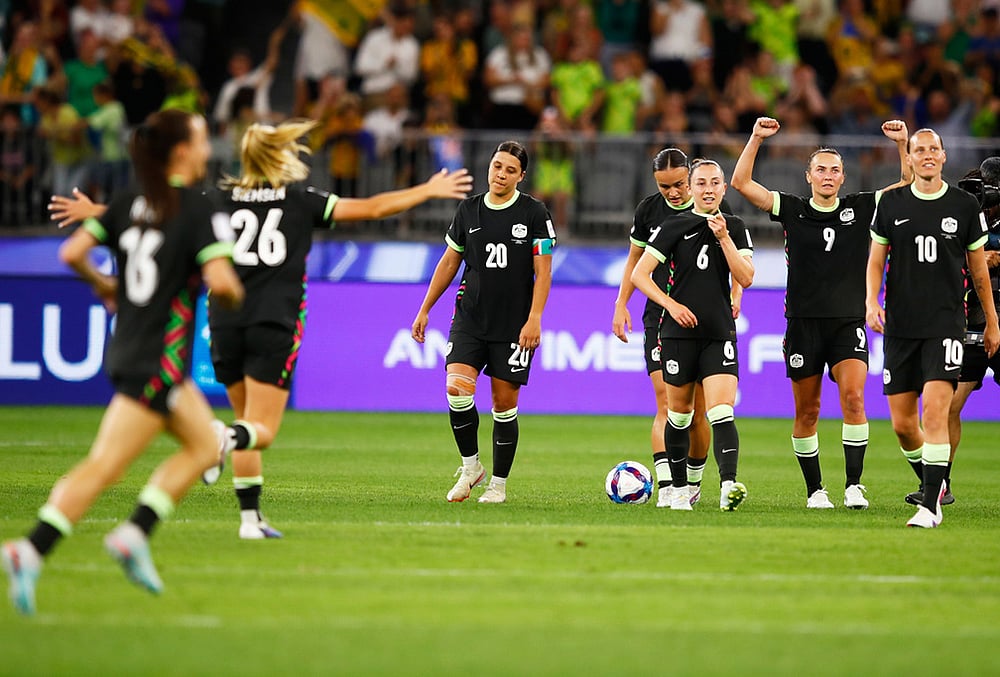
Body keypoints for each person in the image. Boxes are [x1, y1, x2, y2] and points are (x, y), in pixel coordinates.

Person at [50, 119, 473, 540]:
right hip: (275, 321)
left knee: (243, 420)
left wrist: (97, 214)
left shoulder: (214, 198)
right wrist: (427, 190)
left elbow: (162, 215)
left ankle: (250, 520)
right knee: (258, 429)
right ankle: (222, 441)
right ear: (280, 155)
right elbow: (373, 207)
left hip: (223, 321)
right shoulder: (298, 199)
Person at [2, 109, 245, 617]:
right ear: (181, 151)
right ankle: (32, 549)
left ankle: (134, 534)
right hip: (158, 361)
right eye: (202, 139)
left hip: (132, 350)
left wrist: (107, 288)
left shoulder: (130, 202)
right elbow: (222, 283)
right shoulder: (197, 208)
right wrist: (232, 294)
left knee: (206, 444)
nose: (208, 149)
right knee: (106, 466)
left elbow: (72, 253)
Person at [731, 115, 912, 509]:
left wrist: (902, 144)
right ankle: (815, 491)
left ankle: (853, 485)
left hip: (848, 322)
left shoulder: (860, 208)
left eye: (834, 170)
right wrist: (757, 138)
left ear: (843, 178)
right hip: (802, 323)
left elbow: (908, 188)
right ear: (808, 176)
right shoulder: (792, 209)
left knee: (853, 399)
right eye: (821, 170)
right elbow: (742, 184)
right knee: (807, 410)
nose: (828, 176)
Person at [866, 128, 1000, 528]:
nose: (926, 155)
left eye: (933, 149)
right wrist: (872, 301)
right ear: (908, 159)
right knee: (904, 424)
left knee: (937, 413)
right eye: (918, 149)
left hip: (946, 324)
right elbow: (876, 261)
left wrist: (992, 319)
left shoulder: (963, 206)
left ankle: (930, 504)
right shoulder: (890, 203)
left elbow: (978, 269)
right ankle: (933, 483)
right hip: (901, 325)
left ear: (944, 157)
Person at [411, 140, 555, 504]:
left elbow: (543, 271)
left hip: (514, 324)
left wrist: (535, 318)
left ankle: (499, 486)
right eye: (496, 166)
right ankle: (471, 466)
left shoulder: (535, 213)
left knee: (503, 404)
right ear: (488, 167)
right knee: (457, 389)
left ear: (521, 176)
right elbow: (448, 263)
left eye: (509, 170)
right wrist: (425, 307)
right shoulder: (468, 210)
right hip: (470, 318)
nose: (500, 175)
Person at [630, 159, 755, 511]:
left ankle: (728, 485)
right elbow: (641, 275)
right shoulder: (673, 225)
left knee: (720, 411)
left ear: (723, 188)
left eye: (715, 182)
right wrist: (670, 305)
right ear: (691, 187)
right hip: (677, 336)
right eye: (701, 183)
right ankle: (680, 491)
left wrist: (724, 238)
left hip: (718, 333)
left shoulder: (736, 226)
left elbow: (745, 278)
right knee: (680, 415)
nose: (709, 189)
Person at [613, 148, 731, 508]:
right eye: (665, 187)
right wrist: (621, 303)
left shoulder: (713, 212)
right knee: (666, 401)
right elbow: (636, 260)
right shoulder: (649, 210)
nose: (674, 193)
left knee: (698, 410)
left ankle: (692, 483)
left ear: (692, 178)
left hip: (705, 319)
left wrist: (736, 295)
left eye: (679, 184)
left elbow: (737, 258)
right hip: (661, 317)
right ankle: (668, 485)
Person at [911, 161, 1000, 507]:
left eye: (990, 188)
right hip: (972, 321)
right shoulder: (963, 208)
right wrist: (975, 257)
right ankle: (941, 484)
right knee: (950, 405)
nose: (985, 194)